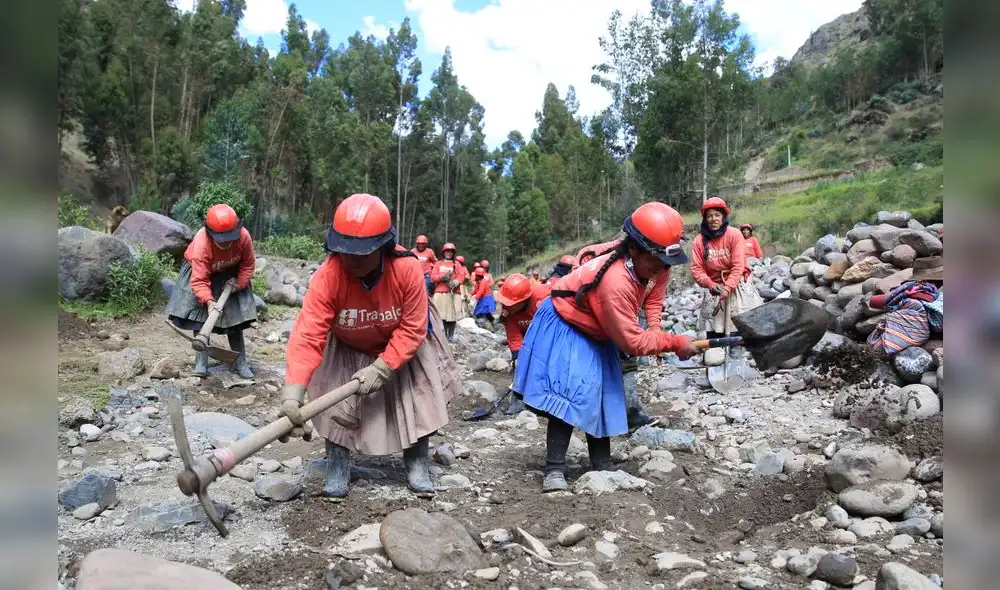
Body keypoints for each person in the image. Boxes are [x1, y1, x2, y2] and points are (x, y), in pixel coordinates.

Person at [277, 194, 460, 501]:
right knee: (333, 400)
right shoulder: (328, 276)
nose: (351, 260)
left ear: (382, 248)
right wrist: (292, 394)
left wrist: (384, 367)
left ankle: (417, 462)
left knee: (419, 397)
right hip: (347, 340)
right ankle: (337, 463)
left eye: (361, 254)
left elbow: (414, 327)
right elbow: (308, 334)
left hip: (402, 341)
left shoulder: (407, 270)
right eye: (345, 252)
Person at [514, 202, 699, 492]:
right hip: (568, 322)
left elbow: (652, 301)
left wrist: (656, 330)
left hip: (599, 325)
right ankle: (554, 468)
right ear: (635, 249)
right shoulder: (615, 281)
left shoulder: (657, 262)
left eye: (666, 261)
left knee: (605, 391)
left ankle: (602, 463)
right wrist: (673, 342)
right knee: (571, 390)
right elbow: (631, 341)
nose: (662, 267)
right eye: (657, 260)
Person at [166, 204, 257, 379]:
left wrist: (239, 284)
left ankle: (240, 362)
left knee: (235, 320)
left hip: (231, 273)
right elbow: (199, 280)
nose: (226, 243)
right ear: (210, 233)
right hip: (201, 273)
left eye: (230, 238)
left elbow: (247, 265)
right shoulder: (202, 243)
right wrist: (209, 302)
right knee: (198, 317)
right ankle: (201, 360)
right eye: (221, 240)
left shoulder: (244, 237)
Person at [691, 197, 763, 364]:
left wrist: (727, 287)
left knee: (738, 325)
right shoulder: (699, 241)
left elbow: (738, 266)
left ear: (723, 216)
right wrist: (710, 284)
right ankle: (715, 361)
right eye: (709, 216)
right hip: (713, 286)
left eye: (717, 215)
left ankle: (737, 361)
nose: (713, 219)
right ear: (704, 218)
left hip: (736, 284)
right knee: (713, 327)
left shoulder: (734, 234)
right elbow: (696, 269)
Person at [496, 273, 551, 414]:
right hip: (525, 334)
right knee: (519, 365)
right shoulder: (508, 309)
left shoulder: (543, 297)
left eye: (511, 304)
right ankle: (518, 400)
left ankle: (546, 401)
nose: (506, 306)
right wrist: (516, 356)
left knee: (545, 366)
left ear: (524, 299)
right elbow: (513, 334)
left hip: (548, 334)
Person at [430, 243, 462, 341]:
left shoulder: (456, 264)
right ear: (443, 253)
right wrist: (441, 277)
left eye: (450, 252)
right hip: (440, 292)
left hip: (452, 293)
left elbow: (461, 276)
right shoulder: (438, 264)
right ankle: (442, 336)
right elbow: (432, 277)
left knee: (451, 315)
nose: (448, 253)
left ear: (453, 253)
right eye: (447, 251)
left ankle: (451, 335)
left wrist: (456, 282)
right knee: (441, 315)